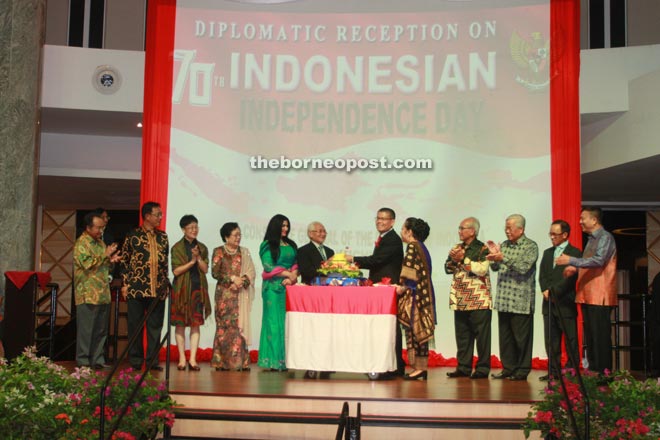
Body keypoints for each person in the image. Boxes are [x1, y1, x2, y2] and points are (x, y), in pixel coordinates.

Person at [556, 206, 617, 375]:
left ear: (594, 220)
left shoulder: (605, 237)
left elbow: (599, 260)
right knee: (590, 336)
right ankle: (594, 371)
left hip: (600, 294)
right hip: (587, 294)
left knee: (600, 337)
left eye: (583, 218)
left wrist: (572, 260)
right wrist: (574, 268)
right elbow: (588, 261)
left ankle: (604, 374)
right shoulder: (591, 239)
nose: (580, 221)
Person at [347, 207, 405, 377]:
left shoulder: (392, 239)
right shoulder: (384, 238)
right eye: (377, 218)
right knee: (383, 327)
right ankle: (390, 365)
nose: (379, 221)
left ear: (392, 221)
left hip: (387, 287)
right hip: (380, 288)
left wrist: (353, 259)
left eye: (384, 218)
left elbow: (377, 260)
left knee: (389, 328)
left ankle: (393, 366)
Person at [487, 214, 538, 381]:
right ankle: (508, 368)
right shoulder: (505, 245)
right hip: (504, 300)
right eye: (505, 228)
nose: (506, 231)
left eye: (509, 228)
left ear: (521, 229)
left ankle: (522, 371)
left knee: (521, 338)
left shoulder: (531, 246)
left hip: (520, 301)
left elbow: (523, 268)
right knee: (506, 338)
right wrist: (494, 256)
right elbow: (495, 267)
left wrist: (503, 258)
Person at [120, 201, 169, 371]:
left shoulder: (163, 237)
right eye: (158, 214)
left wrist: (165, 285)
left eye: (161, 215)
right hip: (137, 288)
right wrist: (126, 284)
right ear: (147, 216)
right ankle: (135, 361)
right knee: (135, 327)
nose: (160, 218)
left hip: (158, 290)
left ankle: (152, 361)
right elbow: (124, 261)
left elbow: (165, 264)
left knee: (155, 327)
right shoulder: (132, 236)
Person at [444, 217, 493, 380]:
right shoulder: (457, 248)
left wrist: (463, 259)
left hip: (479, 298)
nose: (459, 231)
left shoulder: (482, 249)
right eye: (459, 228)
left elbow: (481, 269)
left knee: (482, 336)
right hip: (460, 297)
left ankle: (483, 368)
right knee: (463, 335)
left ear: (472, 231)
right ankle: (463, 367)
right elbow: (447, 268)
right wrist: (453, 260)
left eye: (462, 228)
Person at [73, 212, 121, 369]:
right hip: (87, 294)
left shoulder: (100, 244)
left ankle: (97, 360)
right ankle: (83, 361)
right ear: (88, 227)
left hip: (103, 294)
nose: (101, 231)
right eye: (98, 227)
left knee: (101, 331)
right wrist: (105, 255)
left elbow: (103, 266)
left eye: (103, 227)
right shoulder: (81, 243)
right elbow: (87, 264)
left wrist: (111, 261)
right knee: (86, 331)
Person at [539, 220, 582, 381]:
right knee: (551, 339)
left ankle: (571, 371)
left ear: (564, 235)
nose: (551, 237)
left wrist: (554, 292)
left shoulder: (575, 253)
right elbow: (542, 275)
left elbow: (570, 279)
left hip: (565, 302)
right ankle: (553, 371)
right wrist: (545, 290)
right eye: (550, 234)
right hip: (548, 302)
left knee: (570, 339)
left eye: (555, 234)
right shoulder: (547, 253)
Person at [211, 222, 256, 371]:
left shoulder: (244, 252)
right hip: (224, 296)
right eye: (235, 235)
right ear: (226, 236)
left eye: (239, 235)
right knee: (224, 328)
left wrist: (241, 281)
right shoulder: (218, 251)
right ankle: (221, 362)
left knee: (239, 328)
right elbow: (215, 273)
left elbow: (251, 272)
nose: (238, 238)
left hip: (240, 296)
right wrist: (231, 278)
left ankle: (241, 362)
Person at [396, 218, 435, 381]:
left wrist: (401, 288)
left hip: (415, 296)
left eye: (403, 228)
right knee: (419, 331)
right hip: (424, 295)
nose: (401, 232)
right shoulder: (422, 247)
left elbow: (410, 274)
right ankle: (420, 368)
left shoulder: (412, 246)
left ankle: (419, 369)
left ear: (410, 232)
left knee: (415, 331)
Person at [170, 215, 211, 372]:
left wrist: (198, 258)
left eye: (196, 227)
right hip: (181, 291)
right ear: (183, 229)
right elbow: (176, 271)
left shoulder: (202, 247)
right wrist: (191, 262)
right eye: (191, 227)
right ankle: (181, 358)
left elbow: (206, 269)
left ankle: (193, 359)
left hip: (197, 290)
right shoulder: (177, 248)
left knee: (195, 325)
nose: (194, 230)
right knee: (180, 325)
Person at [257, 214, 298, 371]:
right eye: (282, 226)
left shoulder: (291, 244)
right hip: (272, 289)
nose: (286, 229)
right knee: (273, 324)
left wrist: (293, 276)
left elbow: (296, 263)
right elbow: (268, 266)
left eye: (287, 226)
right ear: (275, 226)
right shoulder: (267, 245)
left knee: (287, 325)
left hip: (289, 288)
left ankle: (286, 361)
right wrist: (288, 274)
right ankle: (273, 361)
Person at [296, 221, 335, 379]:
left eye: (324, 230)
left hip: (328, 296)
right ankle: (311, 365)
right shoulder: (303, 251)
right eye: (319, 231)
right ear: (310, 234)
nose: (322, 233)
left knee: (327, 330)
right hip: (312, 296)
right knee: (312, 331)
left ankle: (327, 364)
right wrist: (325, 270)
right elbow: (306, 270)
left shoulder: (330, 251)